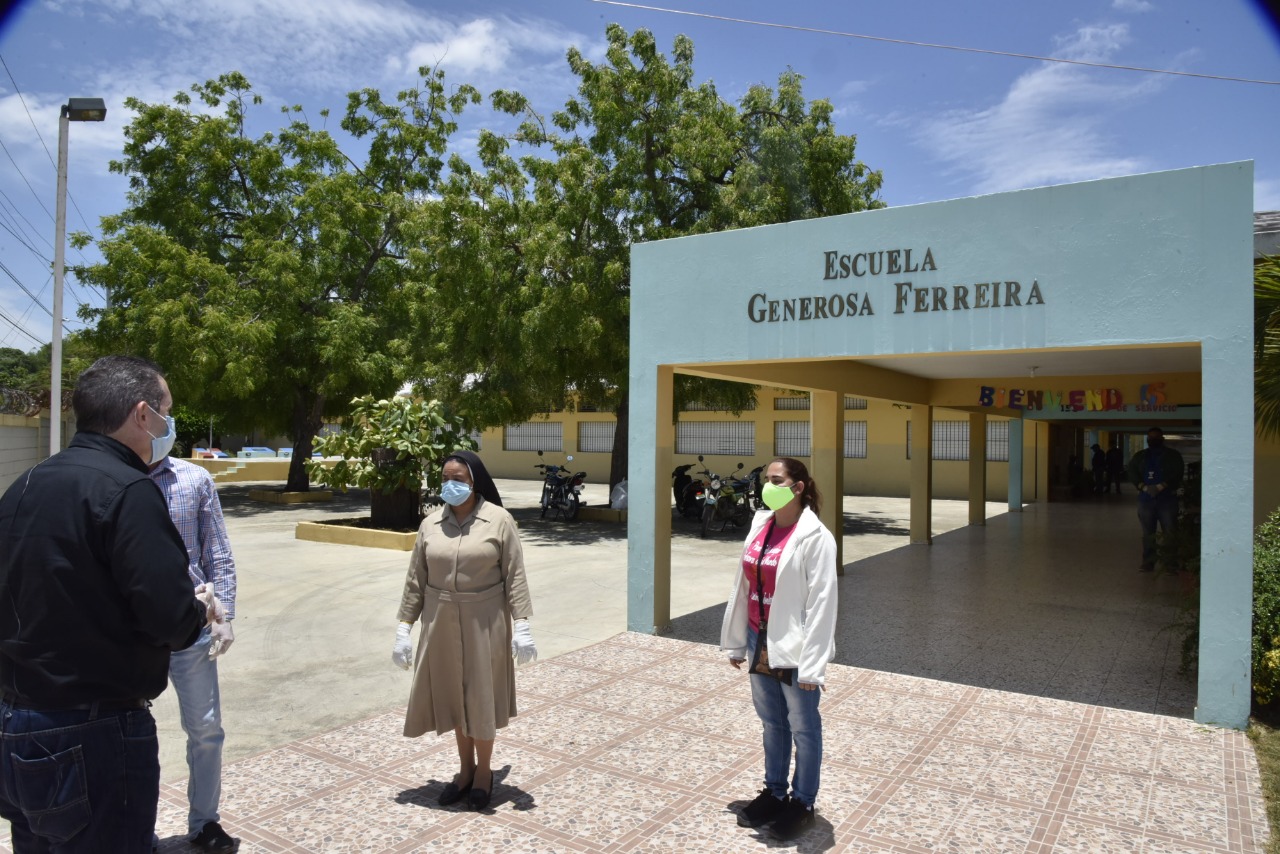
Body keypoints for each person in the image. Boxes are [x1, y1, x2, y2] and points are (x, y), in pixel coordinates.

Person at [0, 355, 220, 852]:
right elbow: (169, 620)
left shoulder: (26, 485)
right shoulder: (128, 491)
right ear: (143, 415)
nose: (167, 426)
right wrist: (199, 605)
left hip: (17, 723)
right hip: (93, 731)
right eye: (166, 413)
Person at [392, 450, 536, 811]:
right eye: (445, 479)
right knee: (455, 696)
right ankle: (464, 770)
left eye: (459, 479)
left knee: (480, 696)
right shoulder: (430, 524)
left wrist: (522, 625)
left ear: (475, 482)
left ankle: (484, 772)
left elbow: (514, 575)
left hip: (484, 619)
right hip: (439, 620)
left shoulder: (499, 521)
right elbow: (415, 580)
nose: (450, 485)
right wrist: (403, 627)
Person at [720, 457, 838, 841]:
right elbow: (745, 585)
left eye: (776, 480)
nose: (766, 486)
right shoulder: (761, 523)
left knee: (804, 727)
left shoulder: (815, 537)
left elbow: (823, 603)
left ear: (798, 487)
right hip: (759, 638)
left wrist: (813, 666)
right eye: (765, 479)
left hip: (795, 647)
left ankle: (802, 802)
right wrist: (739, 640)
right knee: (772, 722)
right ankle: (774, 792)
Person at [148, 455, 239, 852]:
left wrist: (225, 614)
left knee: (205, 730)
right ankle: (137, 828)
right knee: (131, 733)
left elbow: (216, 550)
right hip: (135, 631)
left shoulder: (194, 478)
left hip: (192, 626)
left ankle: (204, 823)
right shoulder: (116, 474)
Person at [1128, 426, 1185, 572]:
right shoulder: (1140, 456)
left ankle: (1170, 563)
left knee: (1170, 531)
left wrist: (1162, 485)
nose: (1153, 440)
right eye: (1150, 438)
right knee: (1148, 533)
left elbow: (1178, 472)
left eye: (1156, 437)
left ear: (1162, 439)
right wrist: (1143, 486)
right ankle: (1148, 562)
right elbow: (1132, 471)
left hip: (1167, 500)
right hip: (1146, 500)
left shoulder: (1173, 456)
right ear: (1147, 439)